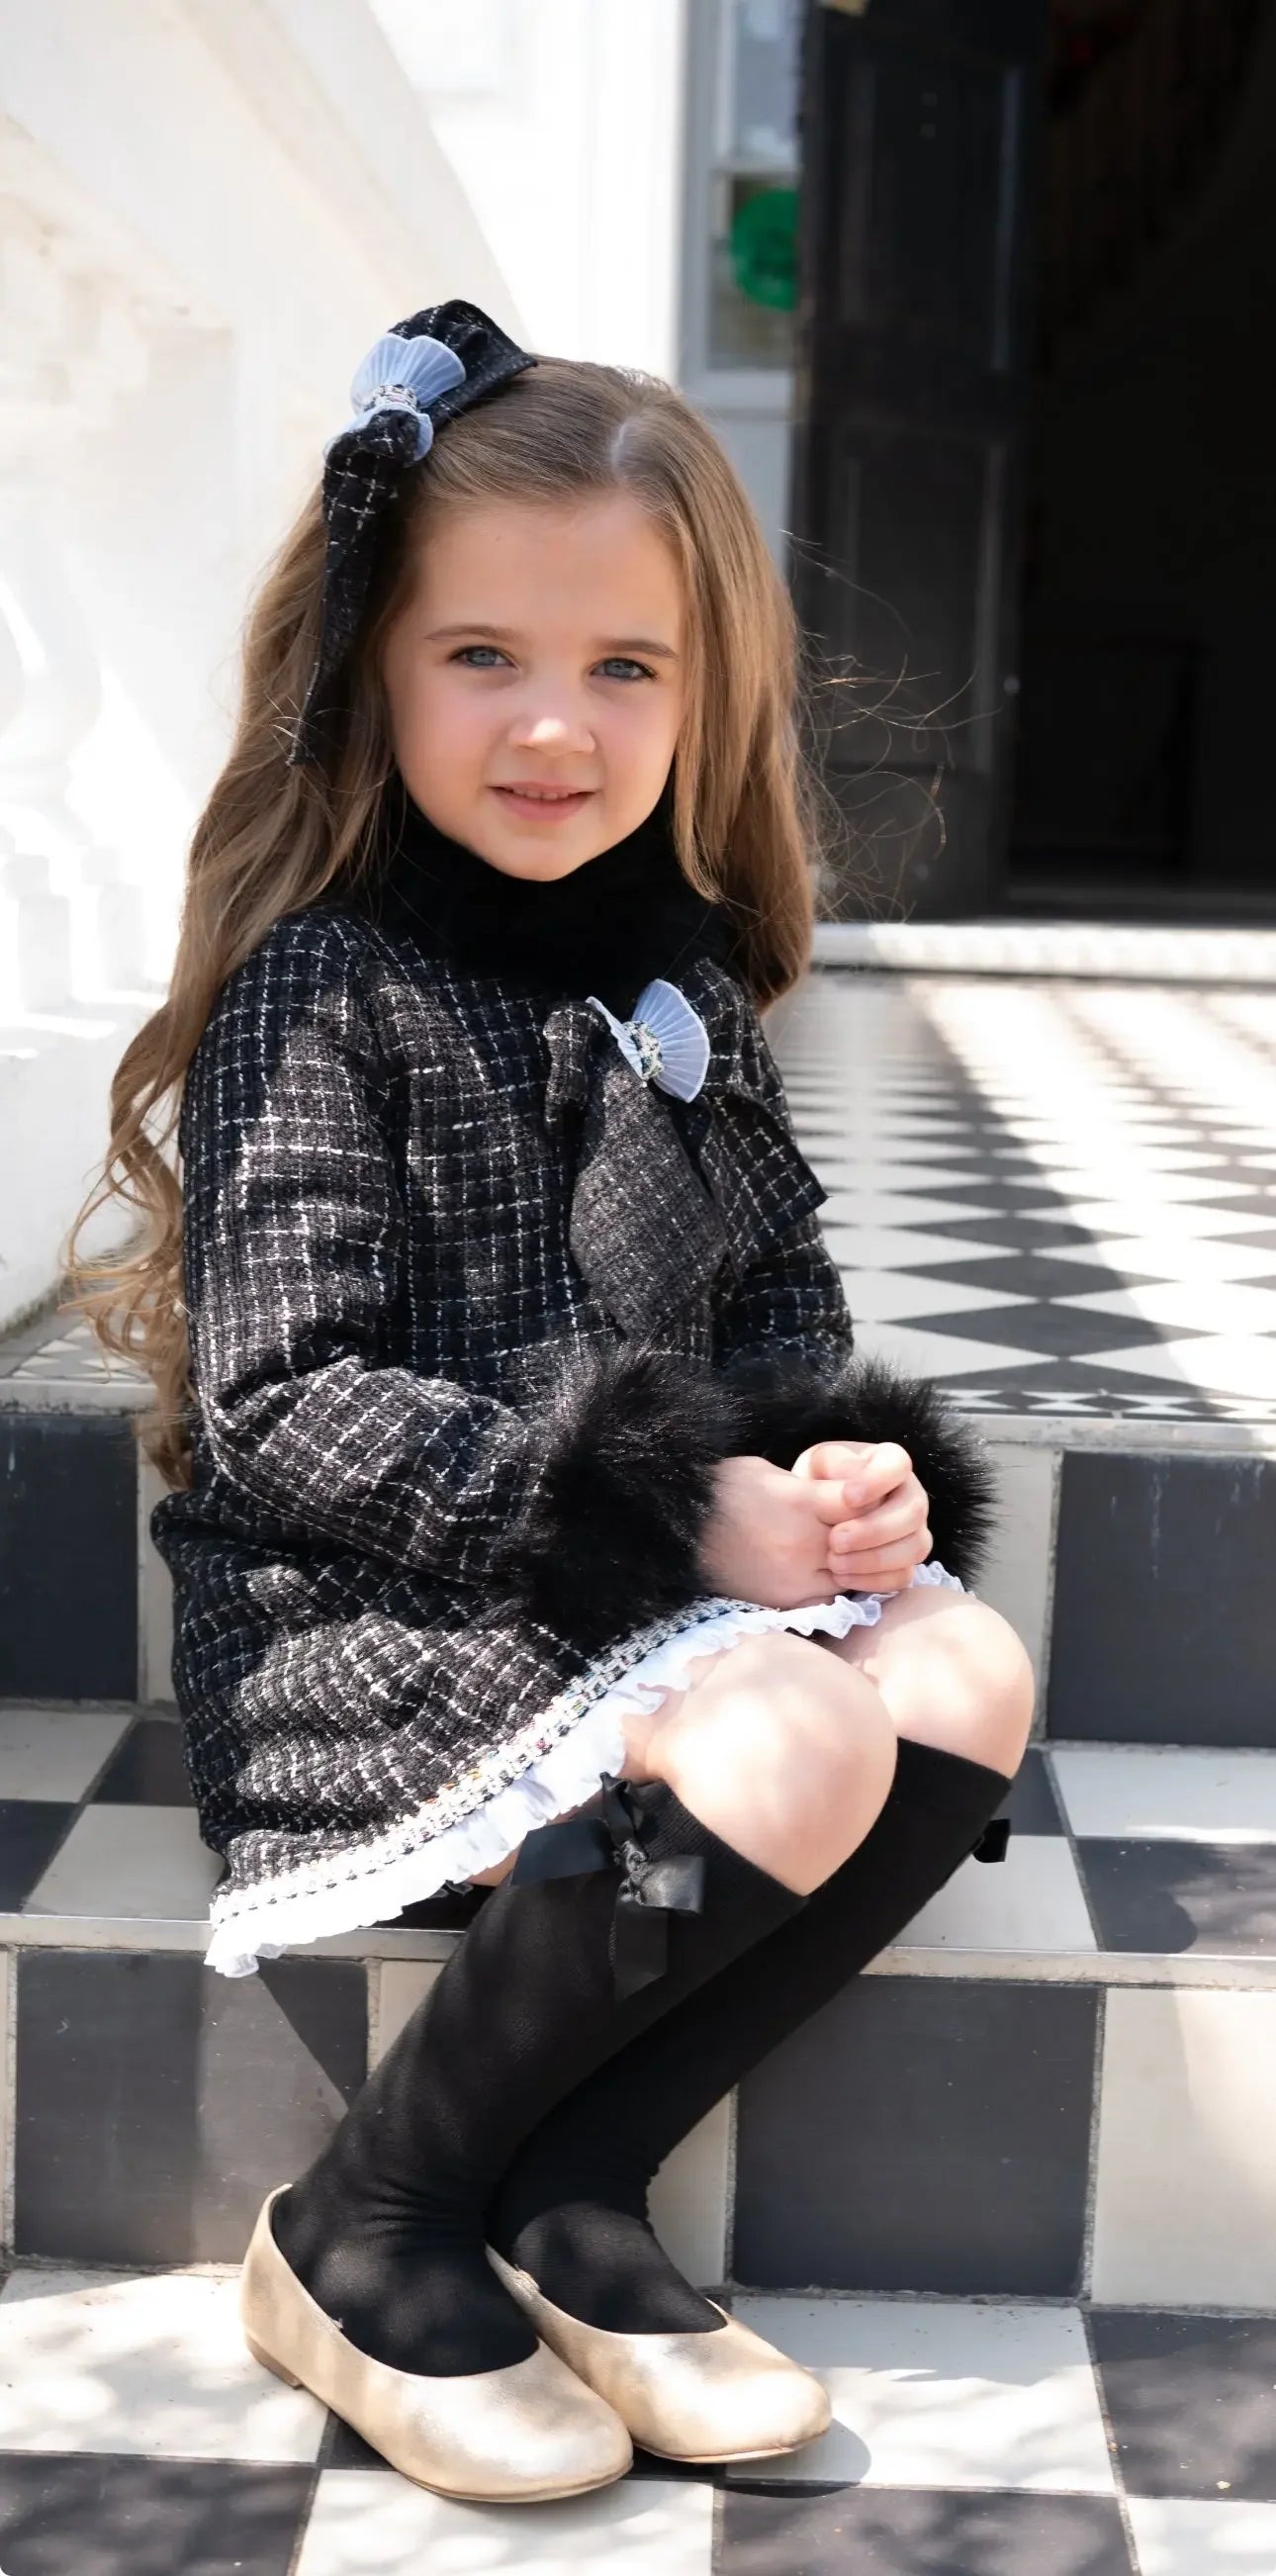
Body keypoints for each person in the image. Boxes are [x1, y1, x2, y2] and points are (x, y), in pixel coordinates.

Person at [67, 301, 1034, 2505]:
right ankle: (365, 2218)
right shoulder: (323, 984)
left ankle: (577, 2190)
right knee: (797, 1725)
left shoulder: (681, 979)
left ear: (704, 701)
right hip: (364, 1615)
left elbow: (779, 1305)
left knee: (963, 1667)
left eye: (625, 671)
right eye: (482, 656)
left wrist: (836, 1475)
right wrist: (687, 1520)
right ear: (370, 669)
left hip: (616, 1597)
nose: (551, 727)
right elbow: (288, 1403)